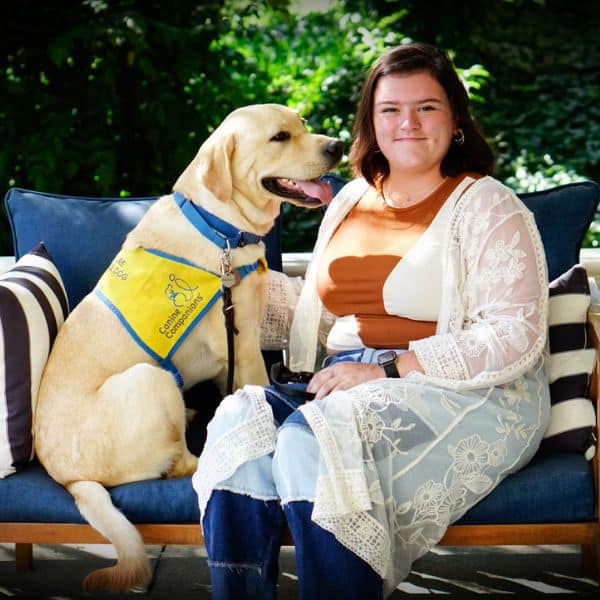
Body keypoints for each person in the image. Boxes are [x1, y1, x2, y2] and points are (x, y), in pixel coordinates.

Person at [192, 42, 550, 599]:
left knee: (311, 438)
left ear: (454, 120)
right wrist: (205, 294)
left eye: (427, 108)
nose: (407, 122)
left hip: (463, 392)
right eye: (390, 110)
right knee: (243, 419)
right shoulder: (349, 199)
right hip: (347, 383)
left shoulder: (489, 206)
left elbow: (514, 334)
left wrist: (390, 369)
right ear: (371, 123)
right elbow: (317, 312)